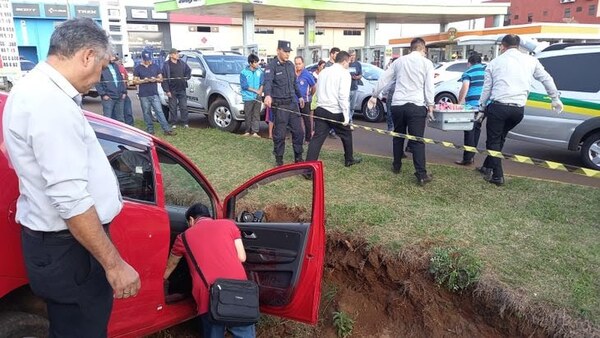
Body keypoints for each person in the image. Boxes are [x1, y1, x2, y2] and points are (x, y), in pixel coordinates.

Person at [2, 18, 140, 337]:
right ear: (87, 56)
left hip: (59, 245)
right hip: (70, 248)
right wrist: (114, 265)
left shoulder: (31, 87)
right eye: (102, 66)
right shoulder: (50, 103)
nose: (100, 77)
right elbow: (71, 200)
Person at [477, 34, 562, 186]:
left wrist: (481, 108)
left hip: (499, 106)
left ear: (503, 46)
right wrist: (554, 98)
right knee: (500, 138)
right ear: (518, 45)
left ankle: (497, 176)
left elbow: (487, 89)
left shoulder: (495, 62)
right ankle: (487, 166)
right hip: (518, 110)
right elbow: (546, 78)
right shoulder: (531, 60)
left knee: (493, 141)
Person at [163, 203, 254, 338]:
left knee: (213, 333)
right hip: (238, 293)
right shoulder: (229, 225)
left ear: (192, 220)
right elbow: (242, 257)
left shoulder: (183, 238)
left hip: (209, 296)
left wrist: (159, 282)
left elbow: (170, 266)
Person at [369, 37, 435, 186]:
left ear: (411, 48)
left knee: (398, 135)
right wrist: (430, 104)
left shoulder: (399, 62)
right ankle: (421, 174)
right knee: (417, 141)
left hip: (398, 104)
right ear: (423, 49)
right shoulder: (427, 63)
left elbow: (384, 78)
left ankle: (396, 165)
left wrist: (374, 95)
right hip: (416, 105)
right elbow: (429, 86)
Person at [306, 51, 362, 167]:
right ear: (344, 61)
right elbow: (343, 96)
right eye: (349, 62)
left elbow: (318, 90)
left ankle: (308, 168)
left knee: (317, 139)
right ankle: (349, 159)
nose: (349, 65)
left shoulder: (324, 72)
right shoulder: (344, 74)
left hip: (321, 109)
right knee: (346, 134)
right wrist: (346, 116)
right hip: (335, 111)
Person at [263, 40, 305, 166]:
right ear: (278, 50)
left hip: (293, 103)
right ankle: (279, 159)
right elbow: (268, 82)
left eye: (288, 52)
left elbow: (294, 83)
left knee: (299, 132)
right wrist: (268, 95)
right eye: (285, 51)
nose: (287, 54)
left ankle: (298, 157)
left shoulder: (290, 65)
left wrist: (300, 96)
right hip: (280, 105)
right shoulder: (271, 66)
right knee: (280, 134)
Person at [133, 51, 176, 136]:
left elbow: (161, 79)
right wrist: (143, 81)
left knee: (159, 111)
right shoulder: (138, 68)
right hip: (143, 94)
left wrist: (155, 79)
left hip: (154, 93)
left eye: (149, 59)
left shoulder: (155, 67)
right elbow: (135, 81)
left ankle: (166, 129)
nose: (148, 61)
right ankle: (150, 130)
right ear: (142, 59)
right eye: (146, 60)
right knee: (146, 112)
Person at [454, 53, 486, 165]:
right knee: (476, 129)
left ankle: (467, 158)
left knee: (469, 131)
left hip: (472, 105)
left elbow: (465, 87)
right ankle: (472, 155)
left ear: (469, 63)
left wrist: (459, 102)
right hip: (484, 105)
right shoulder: (487, 71)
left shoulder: (468, 72)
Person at [162, 48, 192, 128]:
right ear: (171, 55)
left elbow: (188, 71)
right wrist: (167, 90)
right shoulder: (166, 65)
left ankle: (185, 123)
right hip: (172, 90)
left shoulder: (182, 63)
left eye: (178, 53)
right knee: (173, 107)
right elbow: (164, 78)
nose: (177, 55)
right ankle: (173, 123)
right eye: (176, 53)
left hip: (182, 88)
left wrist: (187, 77)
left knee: (184, 107)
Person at [97, 54, 127, 123]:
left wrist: (124, 92)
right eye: (112, 56)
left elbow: (120, 79)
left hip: (119, 96)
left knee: (120, 119)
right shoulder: (101, 67)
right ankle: (107, 133)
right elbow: (97, 82)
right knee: (108, 119)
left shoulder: (115, 66)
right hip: (108, 97)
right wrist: (103, 94)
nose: (114, 58)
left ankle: (120, 133)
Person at [240, 53, 264, 137]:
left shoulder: (260, 71)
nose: (257, 64)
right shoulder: (243, 72)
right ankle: (247, 131)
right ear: (250, 63)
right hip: (248, 97)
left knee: (256, 114)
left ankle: (255, 132)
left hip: (257, 97)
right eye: (255, 62)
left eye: (257, 62)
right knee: (248, 114)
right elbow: (244, 86)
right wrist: (256, 91)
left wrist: (260, 92)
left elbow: (262, 82)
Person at [294, 56, 316, 144]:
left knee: (307, 120)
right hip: (295, 101)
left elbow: (314, 87)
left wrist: (309, 95)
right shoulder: (293, 74)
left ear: (303, 64)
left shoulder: (307, 74)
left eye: (299, 64)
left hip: (305, 101)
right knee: (295, 121)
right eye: (296, 64)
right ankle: (297, 138)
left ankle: (308, 138)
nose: (298, 66)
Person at [325, 47, 341, 139]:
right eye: (336, 54)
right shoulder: (327, 66)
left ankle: (333, 129)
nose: (338, 56)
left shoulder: (338, 65)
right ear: (331, 54)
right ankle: (330, 130)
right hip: (329, 93)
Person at [114, 56, 134, 126]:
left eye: (118, 60)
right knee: (119, 113)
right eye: (116, 61)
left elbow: (126, 80)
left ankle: (130, 125)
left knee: (128, 111)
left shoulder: (122, 68)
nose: (118, 62)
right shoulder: (112, 69)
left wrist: (125, 91)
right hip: (116, 94)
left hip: (124, 93)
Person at [348, 50, 362, 128]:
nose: (352, 57)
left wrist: (357, 77)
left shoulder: (358, 64)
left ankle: (350, 120)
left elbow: (361, 75)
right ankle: (349, 121)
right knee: (346, 106)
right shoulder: (346, 64)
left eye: (353, 55)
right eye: (351, 55)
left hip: (354, 87)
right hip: (346, 88)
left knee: (352, 107)